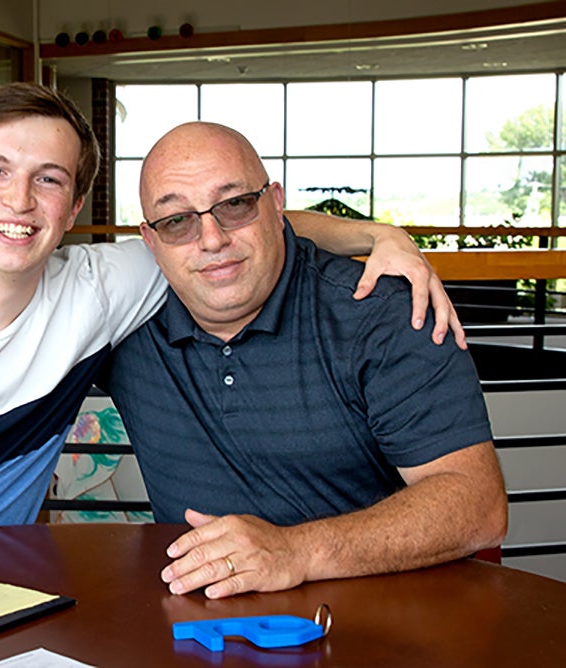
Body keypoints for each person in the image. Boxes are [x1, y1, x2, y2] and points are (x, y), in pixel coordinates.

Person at [0, 82, 461, 623]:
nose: (17, 199)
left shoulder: (110, 282)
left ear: (74, 207)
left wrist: (375, 235)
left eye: (48, 178)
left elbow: (229, 222)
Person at [101, 121, 507, 600]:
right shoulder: (123, 321)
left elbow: (478, 504)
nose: (210, 239)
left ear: (275, 205)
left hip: (384, 623)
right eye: (177, 220)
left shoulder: (379, 313)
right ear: (150, 240)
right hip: (199, 626)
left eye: (235, 205)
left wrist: (296, 551)